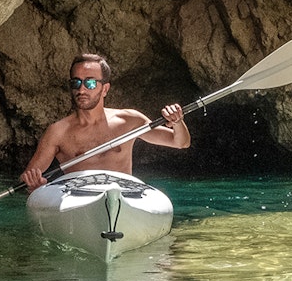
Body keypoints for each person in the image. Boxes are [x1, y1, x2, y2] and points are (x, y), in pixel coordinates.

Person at [21, 53, 190, 191]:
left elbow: (181, 142)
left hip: (124, 193)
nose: (81, 89)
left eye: (90, 82)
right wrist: (34, 185)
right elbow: (28, 176)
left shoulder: (129, 121)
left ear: (105, 89)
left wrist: (177, 122)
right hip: (79, 197)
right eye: (76, 82)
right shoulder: (58, 132)